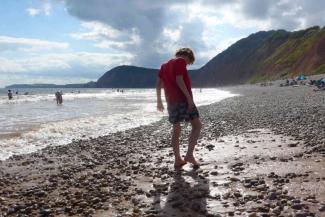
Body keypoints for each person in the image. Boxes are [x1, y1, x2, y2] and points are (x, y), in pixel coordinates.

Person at [156, 47, 202, 170]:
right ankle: (189, 155)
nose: (187, 65)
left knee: (176, 130)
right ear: (187, 56)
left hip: (170, 102)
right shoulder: (180, 61)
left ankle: (177, 160)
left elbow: (158, 84)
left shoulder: (164, 65)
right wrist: (189, 99)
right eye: (189, 62)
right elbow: (179, 80)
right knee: (197, 126)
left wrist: (159, 101)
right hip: (182, 100)